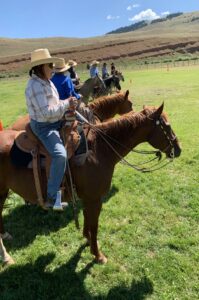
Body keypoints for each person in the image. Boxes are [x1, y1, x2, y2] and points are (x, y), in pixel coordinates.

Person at [25, 48, 78, 211]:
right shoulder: (34, 86)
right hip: (44, 126)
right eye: (50, 65)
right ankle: (52, 196)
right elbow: (45, 112)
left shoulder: (47, 82)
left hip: (55, 121)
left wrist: (66, 105)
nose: (53, 68)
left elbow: (54, 104)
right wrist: (66, 103)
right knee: (60, 155)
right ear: (41, 67)